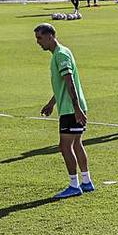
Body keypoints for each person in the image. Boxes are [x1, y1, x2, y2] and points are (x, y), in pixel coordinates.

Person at [34, 23, 94, 199]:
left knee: (65, 146)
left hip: (70, 110)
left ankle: (74, 185)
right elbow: (63, 84)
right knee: (77, 144)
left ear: (50, 36)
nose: (38, 42)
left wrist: (76, 109)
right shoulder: (62, 52)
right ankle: (86, 181)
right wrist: (52, 103)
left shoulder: (60, 55)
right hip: (72, 107)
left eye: (40, 38)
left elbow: (70, 82)